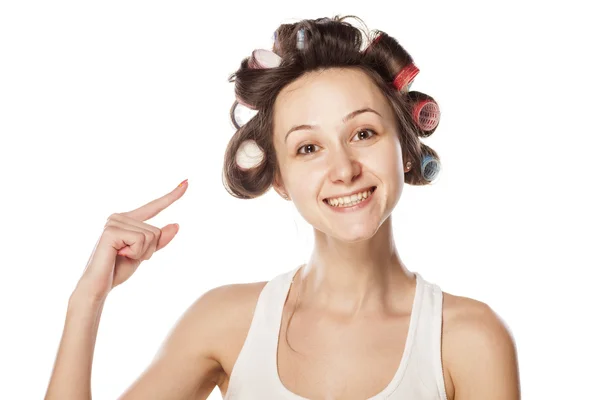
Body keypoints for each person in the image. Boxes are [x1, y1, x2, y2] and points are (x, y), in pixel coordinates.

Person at [45, 15, 520, 400]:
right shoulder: (225, 322)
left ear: (405, 148)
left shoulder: (468, 340)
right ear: (278, 179)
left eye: (363, 134)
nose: (344, 169)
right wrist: (86, 301)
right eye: (308, 148)